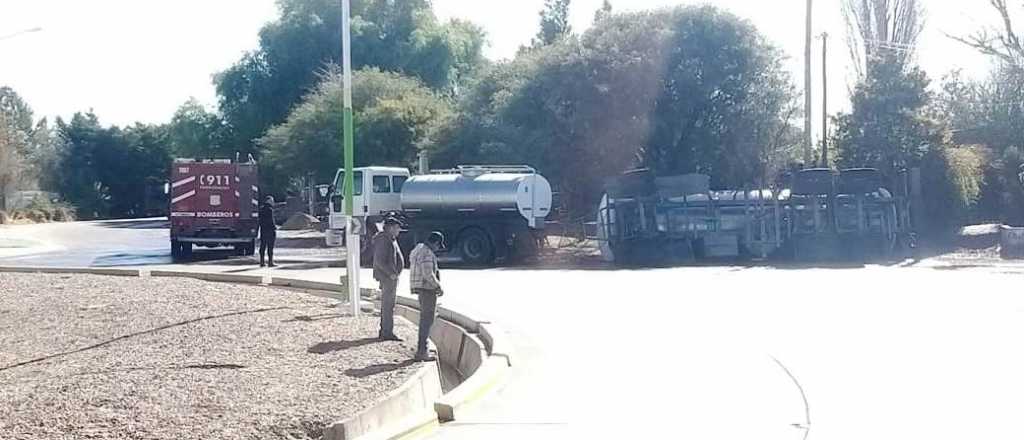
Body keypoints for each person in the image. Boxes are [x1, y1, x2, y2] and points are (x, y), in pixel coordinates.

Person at [409, 231, 445, 362]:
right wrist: (438, 286)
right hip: (427, 289)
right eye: (438, 245)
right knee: (427, 321)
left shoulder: (417, 249)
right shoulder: (427, 253)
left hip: (420, 288)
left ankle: (422, 350)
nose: (438, 248)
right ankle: (422, 352)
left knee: (425, 319)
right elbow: (428, 273)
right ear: (434, 243)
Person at [373, 216, 404, 341]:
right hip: (388, 278)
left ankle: (386, 330)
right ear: (390, 228)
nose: (399, 230)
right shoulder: (384, 240)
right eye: (397, 228)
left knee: (389, 305)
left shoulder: (390, 239)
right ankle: (387, 332)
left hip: (391, 277)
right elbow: (379, 260)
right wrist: (391, 273)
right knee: (388, 305)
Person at [257, 195, 277, 267]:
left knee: (263, 246)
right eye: (272, 200)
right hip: (270, 230)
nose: (273, 202)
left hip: (263, 230)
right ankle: (270, 262)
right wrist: (274, 227)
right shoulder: (270, 210)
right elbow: (271, 220)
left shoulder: (261, 209)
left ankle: (262, 262)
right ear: (268, 201)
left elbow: (259, 220)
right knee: (270, 247)